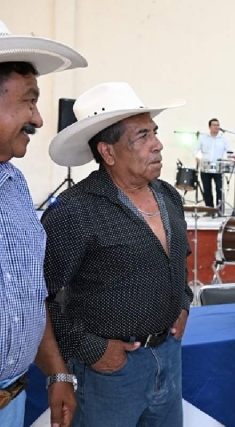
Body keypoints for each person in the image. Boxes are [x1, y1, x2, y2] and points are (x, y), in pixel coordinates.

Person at [42, 82, 192, 427]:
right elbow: (42, 298)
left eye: (154, 132)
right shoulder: (73, 211)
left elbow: (178, 259)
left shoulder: (168, 195)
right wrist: (93, 350)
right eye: (142, 136)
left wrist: (183, 302)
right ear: (107, 152)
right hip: (108, 374)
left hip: (168, 358)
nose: (158, 144)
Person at [0, 19, 87, 427]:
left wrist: (56, 371)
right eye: (28, 101)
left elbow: (28, 296)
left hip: (15, 396)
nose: (38, 118)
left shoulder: (15, 186)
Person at [194, 118, 231, 208]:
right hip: (205, 167)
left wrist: (229, 160)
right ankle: (209, 209)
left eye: (217, 125)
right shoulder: (203, 138)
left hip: (218, 168)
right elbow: (196, 150)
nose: (216, 127)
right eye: (214, 125)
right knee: (207, 190)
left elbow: (230, 151)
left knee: (219, 189)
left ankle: (219, 209)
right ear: (209, 127)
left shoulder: (222, 139)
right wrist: (198, 157)